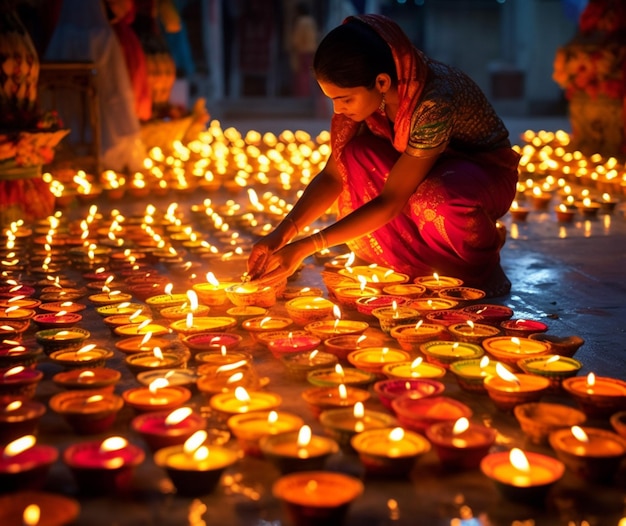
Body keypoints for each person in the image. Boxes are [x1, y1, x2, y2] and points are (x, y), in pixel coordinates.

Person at [246, 14, 520, 297]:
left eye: (345, 99)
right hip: (422, 172)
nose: (338, 110)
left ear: (381, 81)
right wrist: (281, 235)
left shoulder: (432, 102)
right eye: (333, 100)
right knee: (354, 155)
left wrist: (307, 246)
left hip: (480, 175)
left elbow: (392, 199)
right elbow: (333, 176)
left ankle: (480, 265)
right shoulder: (373, 101)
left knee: (433, 198)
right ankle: (416, 263)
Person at [289, 2, 318, 98]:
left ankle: (303, 94)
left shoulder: (301, 21)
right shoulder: (311, 20)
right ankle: (309, 94)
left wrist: (293, 46)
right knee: (309, 73)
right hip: (311, 49)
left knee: (302, 73)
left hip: (302, 50)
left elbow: (296, 39)